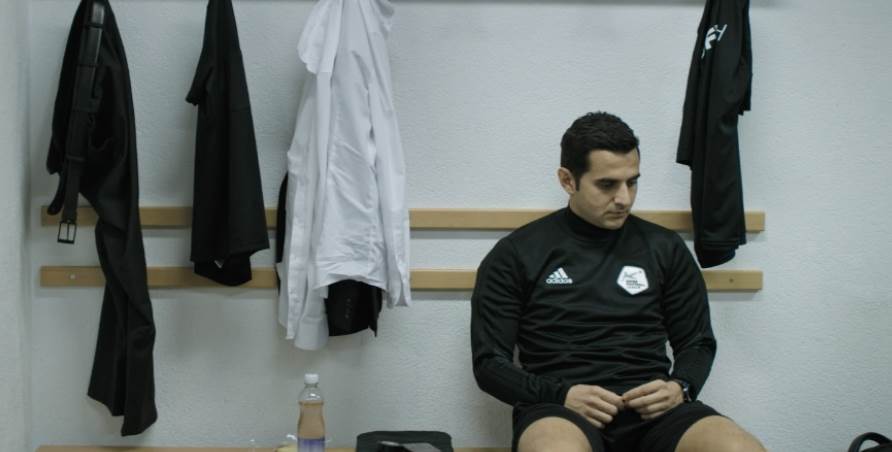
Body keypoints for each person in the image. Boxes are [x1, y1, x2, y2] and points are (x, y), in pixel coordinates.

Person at [470, 112, 765, 452]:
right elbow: (489, 363)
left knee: (739, 449)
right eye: (607, 185)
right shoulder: (517, 253)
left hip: (654, 413)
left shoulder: (664, 247)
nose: (624, 198)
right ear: (568, 180)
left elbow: (697, 342)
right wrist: (560, 395)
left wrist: (681, 386)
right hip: (561, 409)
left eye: (632, 182)